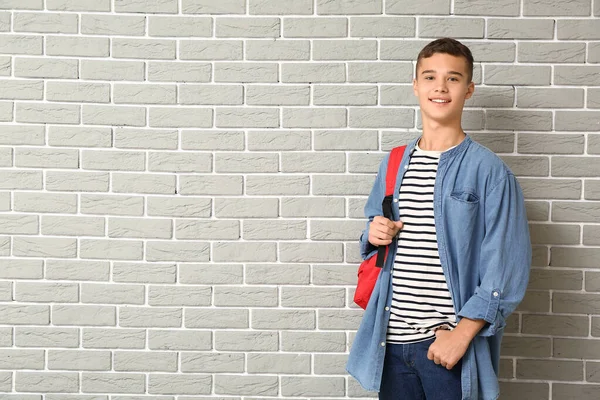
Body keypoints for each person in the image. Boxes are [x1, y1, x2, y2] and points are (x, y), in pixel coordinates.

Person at [346, 38, 532, 400]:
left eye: (453, 78)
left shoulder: (489, 171)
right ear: (416, 85)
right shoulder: (395, 161)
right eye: (430, 77)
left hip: (446, 347)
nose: (440, 87)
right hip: (391, 343)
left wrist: (461, 336)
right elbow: (373, 240)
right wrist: (373, 232)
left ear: (469, 89)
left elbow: (507, 265)